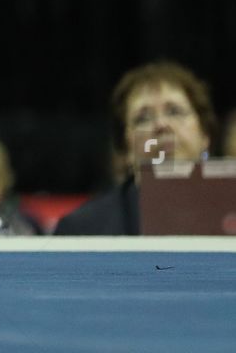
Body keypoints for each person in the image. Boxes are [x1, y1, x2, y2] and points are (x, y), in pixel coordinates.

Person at [55, 60, 216, 235]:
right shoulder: (82, 230)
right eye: (143, 118)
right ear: (125, 148)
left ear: (204, 134)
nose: (161, 125)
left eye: (174, 111)